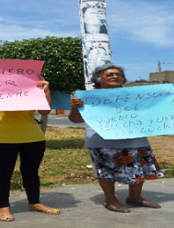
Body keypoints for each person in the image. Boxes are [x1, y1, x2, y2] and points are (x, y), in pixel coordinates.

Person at [69, 65, 163, 213]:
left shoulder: (135, 95)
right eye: (110, 74)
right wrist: (75, 107)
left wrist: (173, 101)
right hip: (101, 140)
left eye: (118, 74)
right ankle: (110, 200)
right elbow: (75, 120)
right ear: (98, 79)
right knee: (106, 171)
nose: (115, 76)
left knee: (138, 167)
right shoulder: (87, 98)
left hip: (134, 138)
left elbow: (156, 107)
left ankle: (135, 197)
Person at [0, 79, 59, 222]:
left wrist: (46, 90)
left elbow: (44, 111)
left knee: (31, 172)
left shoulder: (31, 85)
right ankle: (3, 206)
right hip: (2, 137)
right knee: (3, 173)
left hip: (33, 136)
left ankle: (35, 202)